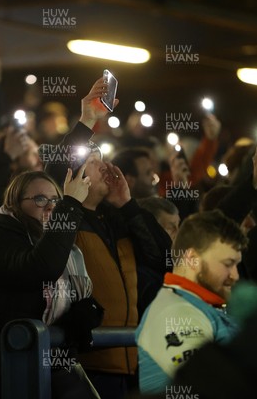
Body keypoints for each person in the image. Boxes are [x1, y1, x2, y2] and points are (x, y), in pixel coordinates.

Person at [44, 78, 170, 398]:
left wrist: (128, 205)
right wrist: (87, 120)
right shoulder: (65, 218)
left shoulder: (118, 218)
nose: (104, 166)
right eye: (92, 159)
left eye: (102, 158)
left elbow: (162, 256)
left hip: (131, 358)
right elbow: (55, 172)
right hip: (89, 363)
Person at [0, 169, 100, 398]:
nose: (50, 206)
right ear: (15, 203)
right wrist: (69, 205)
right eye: (40, 199)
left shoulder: (58, 246)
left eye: (55, 199)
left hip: (55, 364)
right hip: (8, 367)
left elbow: (79, 293)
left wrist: (84, 313)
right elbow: (41, 269)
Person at [136, 210, 247, 394]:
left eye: (237, 264)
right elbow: (207, 390)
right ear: (193, 259)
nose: (235, 276)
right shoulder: (176, 313)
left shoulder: (199, 306)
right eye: (228, 264)